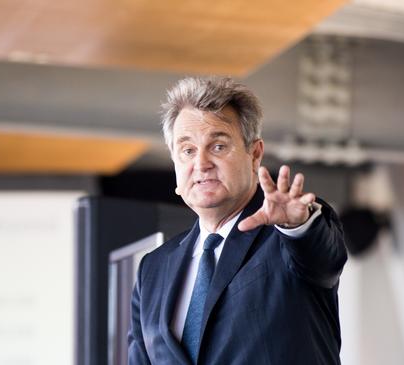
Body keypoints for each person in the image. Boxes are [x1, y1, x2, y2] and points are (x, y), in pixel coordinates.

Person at [127, 77, 347, 364]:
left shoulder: (286, 235)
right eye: (188, 151)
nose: (201, 163)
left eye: (218, 146)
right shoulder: (153, 269)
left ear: (254, 155)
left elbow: (323, 259)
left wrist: (298, 225)